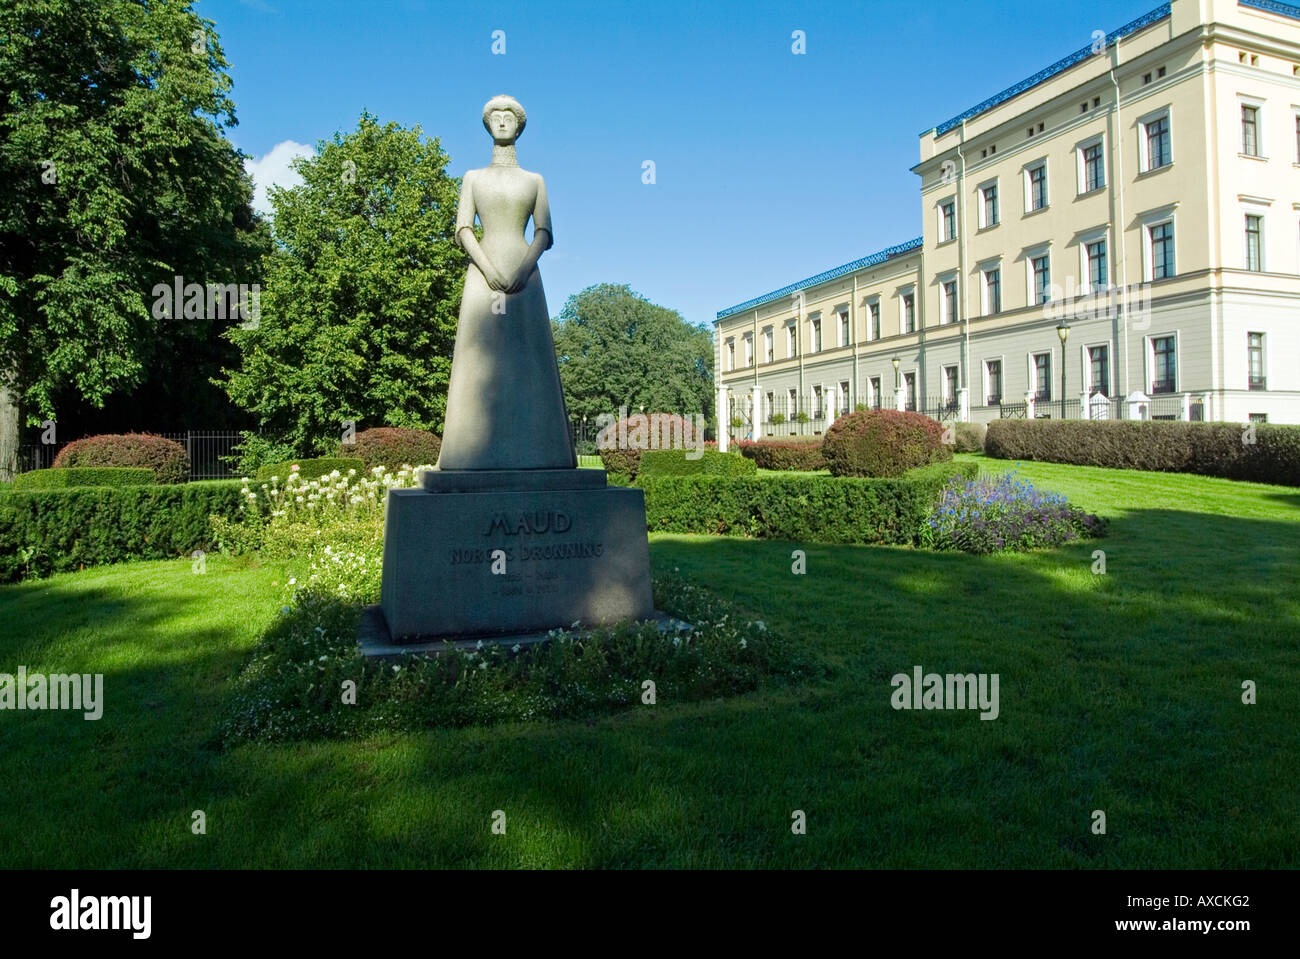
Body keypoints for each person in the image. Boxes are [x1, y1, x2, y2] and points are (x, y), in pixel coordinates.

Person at [436, 95, 576, 471]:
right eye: (495, 117)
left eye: (508, 117)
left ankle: (542, 453)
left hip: (525, 278)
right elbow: (463, 229)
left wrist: (520, 271)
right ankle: (467, 454)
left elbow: (544, 233)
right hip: (483, 278)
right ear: (488, 125)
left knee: (529, 362)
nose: (501, 122)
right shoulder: (473, 178)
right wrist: (487, 268)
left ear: (519, 126)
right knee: (478, 359)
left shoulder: (535, 181)